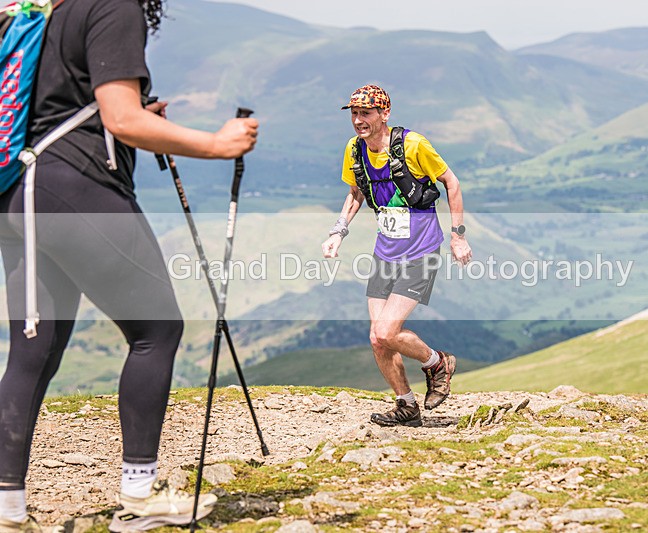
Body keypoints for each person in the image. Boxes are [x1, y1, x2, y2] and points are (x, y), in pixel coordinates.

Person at [0, 0, 258, 531]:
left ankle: (7, 511)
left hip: (18, 197)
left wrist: (130, 116)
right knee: (157, 330)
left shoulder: (35, 14)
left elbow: (67, 109)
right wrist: (215, 144)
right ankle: (140, 496)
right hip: (77, 187)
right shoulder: (112, 6)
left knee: (32, 351)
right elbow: (122, 119)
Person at [322, 84, 472, 427]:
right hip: (385, 253)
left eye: (366, 113)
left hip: (421, 251)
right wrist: (337, 232)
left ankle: (437, 363)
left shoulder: (414, 145)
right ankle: (406, 404)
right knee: (378, 338)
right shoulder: (354, 150)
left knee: (389, 331)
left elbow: (452, 183)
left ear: (384, 114)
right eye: (355, 114)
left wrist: (458, 236)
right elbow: (356, 192)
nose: (359, 121)